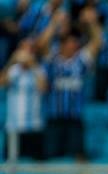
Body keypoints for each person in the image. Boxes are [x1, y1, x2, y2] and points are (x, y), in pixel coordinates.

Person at [43, 7, 102, 160]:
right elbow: (42, 45)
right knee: (51, 156)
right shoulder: (53, 60)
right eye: (70, 42)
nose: (74, 45)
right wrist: (54, 24)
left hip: (75, 118)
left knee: (78, 156)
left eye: (75, 42)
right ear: (63, 44)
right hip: (54, 118)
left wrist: (92, 23)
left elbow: (97, 43)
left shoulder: (80, 60)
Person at [0, 39, 47, 160]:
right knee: (10, 166)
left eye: (30, 50)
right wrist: (11, 61)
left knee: (37, 167)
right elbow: (1, 83)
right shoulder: (12, 70)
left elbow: (43, 88)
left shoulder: (39, 70)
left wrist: (32, 64)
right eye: (24, 49)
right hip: (14, 126)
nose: (26, 53)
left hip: (34, 125)